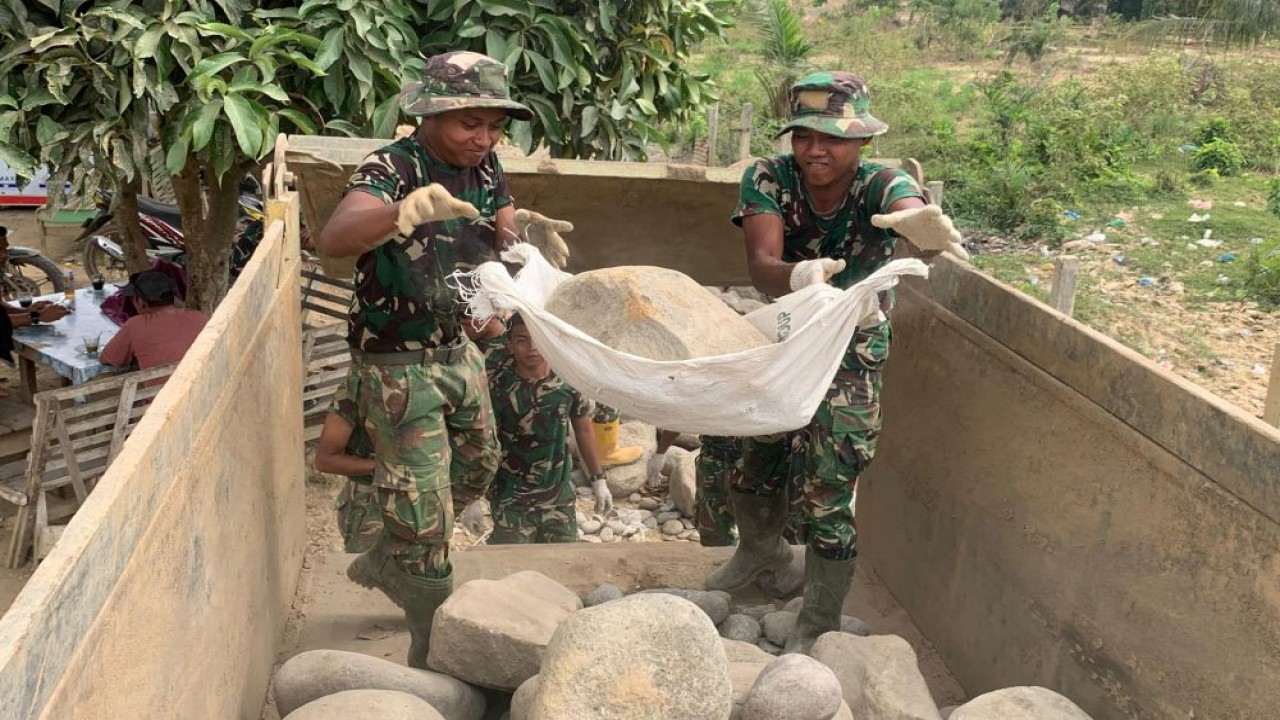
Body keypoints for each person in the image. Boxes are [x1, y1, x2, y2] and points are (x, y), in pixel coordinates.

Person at [314, 51, 575, 669]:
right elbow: (333, 239)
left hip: (458, 348)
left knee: (482, 465)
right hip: (395, 364)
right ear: (431, 114)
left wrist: (519, 237)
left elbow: (500, 220)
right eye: (468, 124)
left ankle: (390, 553)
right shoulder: (391, 166)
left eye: (493, 125)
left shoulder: (486, 165)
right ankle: (430, 648)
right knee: (427, 515)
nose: (482, 138)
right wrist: (404, 212)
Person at [709, 71, 967, 654]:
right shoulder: (769, 177)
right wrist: (801, 275)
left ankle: (817, 622)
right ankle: (759, 552)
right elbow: (761, 264)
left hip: (853, 346)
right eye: (804, 135)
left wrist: (913, 221)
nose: (816, 149)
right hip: (788, 335)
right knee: (756, 457)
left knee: (830, 486)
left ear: (862, 142)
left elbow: (906, 205)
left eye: (832, 137)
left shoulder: (880, 181)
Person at [483, 313, 607, 543]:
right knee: (511, 569)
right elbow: (485, 442)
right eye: (521, 340)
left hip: (558, 499)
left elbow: (584, 430)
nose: (532, 347)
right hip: (512, 501)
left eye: (537, 339)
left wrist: (599, 479)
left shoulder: (568, 382)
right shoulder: (498, 386)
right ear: (509, 345)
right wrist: (474, 496)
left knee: (563, 565)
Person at [314, 383, 382, 553]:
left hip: (424, 500)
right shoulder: (357, 390)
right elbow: (325, 460)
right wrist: (386, 469)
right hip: (371, 504)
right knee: (372, 573)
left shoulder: (433, 382)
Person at [647, 430, 741, 547]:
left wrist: (661, 452)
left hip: (755, 463)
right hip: (717, 462)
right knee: (715, 532)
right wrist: (660, 453)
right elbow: (686, 414)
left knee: (758, 526)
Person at [99, 270, 208, 371]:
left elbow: (107, 358)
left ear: (141, 302)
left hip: (163, 392)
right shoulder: (201, 318)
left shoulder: (135, 326)